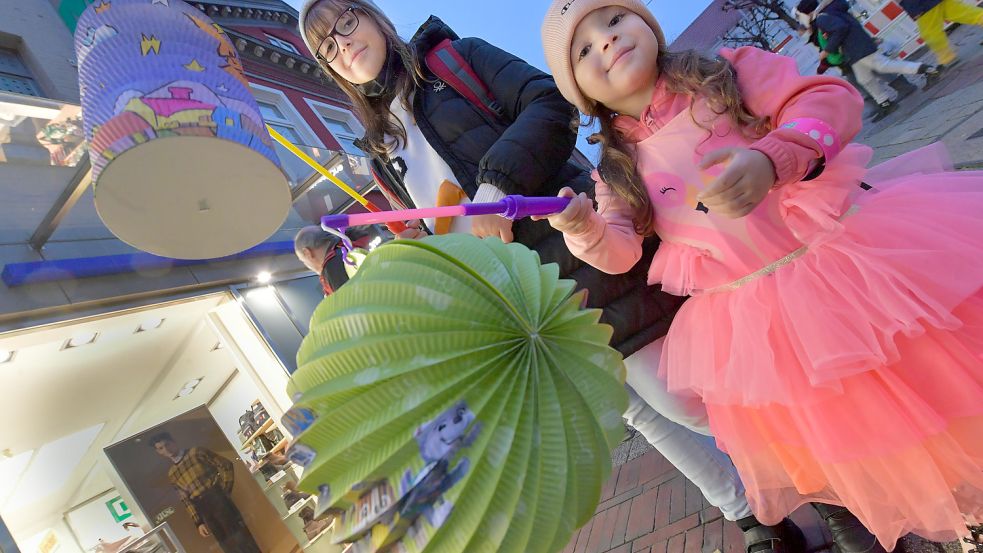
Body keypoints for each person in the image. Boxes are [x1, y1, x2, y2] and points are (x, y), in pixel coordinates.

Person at [298, 2, 807, 551]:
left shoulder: (453, 61)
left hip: (580, 244)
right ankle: (754, 516)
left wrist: (495, 186)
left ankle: (817, 476)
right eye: (326, 46)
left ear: (374, 17)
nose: (342, 45)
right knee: (636, 412)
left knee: (687, 396)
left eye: (345, 22)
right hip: (525, 300)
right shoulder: (383, 154)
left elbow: (550, 103)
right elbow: (442, 227)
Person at [540, 0, 983, 549]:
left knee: (931, 379)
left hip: (846, 268)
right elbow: (621, 251)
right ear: (580, 92)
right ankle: (914, 518)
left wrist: (775, 156)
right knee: (842, 437)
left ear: (646, 25)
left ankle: (969, 490)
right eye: (583, 50)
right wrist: (583, 229)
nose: (606, 41)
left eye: (613, 20)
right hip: (761, 322)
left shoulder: (726, 73)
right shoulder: (615, 169)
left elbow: (827, 98)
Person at [796, 0, 940, 121]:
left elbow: (841, 29)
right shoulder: (830, 10)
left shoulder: (823, 17)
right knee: (864, 79)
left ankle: (926, 69)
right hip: (856, 48)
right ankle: (884, 103)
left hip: (857, 48)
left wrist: (827, 50)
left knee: (885, 66)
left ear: (806, 13)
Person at [149, 432, 261, 553]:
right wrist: (198, 522)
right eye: (161, 448)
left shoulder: (197, 452)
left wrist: (225, 491)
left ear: (173, 441)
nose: (166, 449)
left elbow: (226, 465)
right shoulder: (172, 474)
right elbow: (186, 500)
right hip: (202, 506)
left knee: (240, 536)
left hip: (217, 497)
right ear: (158, 452)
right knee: (225, 542)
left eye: (167, 444)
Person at [293, 223, 386, 295]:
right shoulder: (351, 244)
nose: (307, 265)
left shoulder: (332, 268)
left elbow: (355, 305)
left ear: (307, 253)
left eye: (303, 261)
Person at [899, 0, 983, 66]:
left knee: (930, 32)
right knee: (965, 13)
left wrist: (912, 8)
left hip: (919, 3)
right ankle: (947, 56)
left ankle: (947, 57)